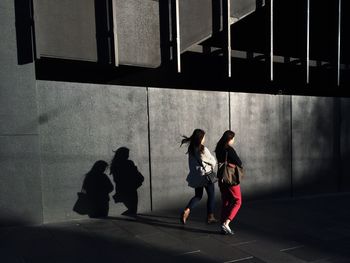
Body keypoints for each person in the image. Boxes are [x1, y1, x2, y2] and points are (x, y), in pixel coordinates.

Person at [180, 129, 218, 225]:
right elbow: (213, 161)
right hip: (206, 176)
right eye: (203, 137)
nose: (204, 139)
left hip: (196, 176)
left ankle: (187, 209)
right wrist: (212, 165)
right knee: (211, 195)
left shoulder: (191, 149)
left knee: (198, 196)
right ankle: (210, 217)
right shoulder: (203, 149)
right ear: (200, 138)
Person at [215, 130, 243, 235]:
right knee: (238, 201)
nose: (233, 140)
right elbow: (239, 162)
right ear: (229, 139)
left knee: (226, 201)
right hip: (230, 178)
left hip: (221, 178)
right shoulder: (229, 150)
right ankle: (227, 223)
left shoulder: (218, 148)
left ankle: (222, 225)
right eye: (233, 138)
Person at [110, 147, 144, 216]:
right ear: (123, 154)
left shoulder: (115, 164)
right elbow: (134, 173)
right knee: (133, 209)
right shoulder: (128, 163)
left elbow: (116, 179)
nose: (128, 156)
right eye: (127, 154)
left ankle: (126, 219)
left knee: (131, 209)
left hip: (122, 189)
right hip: (131, 188)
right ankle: (124, 218)